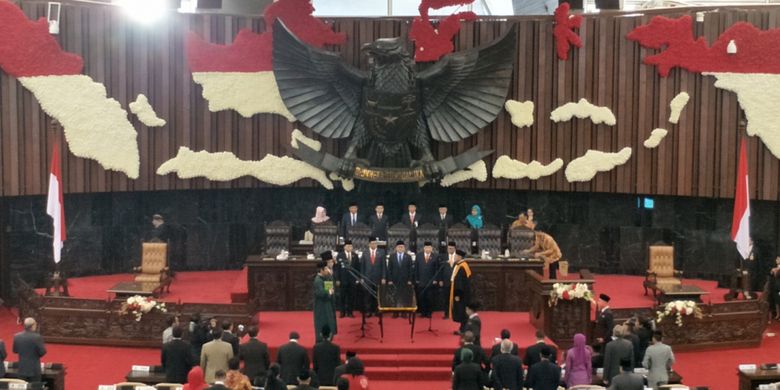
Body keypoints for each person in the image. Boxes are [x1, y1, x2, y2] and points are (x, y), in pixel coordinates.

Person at [384, 240, 413, 318]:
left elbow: (411, 270)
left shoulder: (408, 257)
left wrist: (410, 280)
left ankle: (404, 312)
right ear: (396, 248)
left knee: (404, 296)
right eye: (399, 247)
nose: (400, 248)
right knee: (395, 296)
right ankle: (395, 312)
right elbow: (389, 269)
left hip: (405, 280)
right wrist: (389, 280)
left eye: (402, 247)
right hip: (394, 280)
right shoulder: (392, 257)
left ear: (404, 248)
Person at [12, 317, 47, 382]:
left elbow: (15, 350)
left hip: (22, 369)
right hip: (34, 370)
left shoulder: (17, 336)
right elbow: (42, 352)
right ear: (33, 326)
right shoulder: (37, 337)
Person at [314, 257, 338, 341]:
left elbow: (329, 287)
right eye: (326, 269)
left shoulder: (324, 278)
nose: (327, 270)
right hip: (321, 306)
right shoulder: (318, 281)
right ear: (321, 270)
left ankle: (328, 338)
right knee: (322, 322)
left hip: (327, 304)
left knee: (329, 322)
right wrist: (329, 292)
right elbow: (321, 293)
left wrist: (329, 276)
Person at [336, 240, 361, 318]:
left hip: (352, 280)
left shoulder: (355, 255)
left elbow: (358, 268)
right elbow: (337, 269)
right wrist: (337, 279)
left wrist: (357, 279)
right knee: (342, 297)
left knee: (351, 297)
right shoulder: (340, 255)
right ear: (344, 247)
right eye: (347, 246)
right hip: (343, 280)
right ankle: (342, 312)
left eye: (350, 246)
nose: (349, 247)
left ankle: (350, 312)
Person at [449, 249, 472, 334]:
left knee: (462, 311)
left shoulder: (462, 267)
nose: (454, 257)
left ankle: (463, 329)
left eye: (455, 256)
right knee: (462, 311)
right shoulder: (462, 265)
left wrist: (457, 294)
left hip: (461, 294)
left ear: (459, 257)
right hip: (464, 293)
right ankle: (463, 328)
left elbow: (460, 283)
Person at [361, 237, 385, 316]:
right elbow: (362, 267)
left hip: (377, 278)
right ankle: (368, 311)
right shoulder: (365, 253)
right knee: (367, 295)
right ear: (369, 244)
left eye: (375, 243)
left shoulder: (381, 252)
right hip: (367, 278)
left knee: (377, 295)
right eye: (372, 243)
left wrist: (383, 277)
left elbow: (384, 267)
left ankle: (377, 310)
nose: (374, 244)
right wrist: (362, 277)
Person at [415, 241, 439, 318]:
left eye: (430, 248)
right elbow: (416, 269)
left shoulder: (435, 256)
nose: (428, 249)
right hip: (421, 280)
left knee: (430, 297)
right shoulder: (418, 256)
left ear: (432, 248)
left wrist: (435, 279)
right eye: (427, 247)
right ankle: (423, 312)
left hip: (431, 281)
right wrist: (417, 278)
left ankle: (429, 312)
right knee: (422, 297)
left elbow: (437, 269)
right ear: (424, 248)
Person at [441, 242, 457, 319]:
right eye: (448, 248)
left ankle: (454, 314)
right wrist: (440, 280)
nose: (449, 250)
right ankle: (447, 314)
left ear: (454, 249)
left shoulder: (458, 257)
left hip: (455, 281)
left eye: (451, 248)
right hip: (446, 281)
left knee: (455, 298)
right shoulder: (443, 257)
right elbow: (440, 269)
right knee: (446, 298)